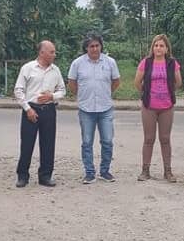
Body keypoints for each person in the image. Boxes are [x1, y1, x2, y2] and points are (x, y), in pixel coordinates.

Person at [68, 34, 120, 184]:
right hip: (86, 109)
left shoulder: (110, 62)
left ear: (101, 46)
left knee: (107, 141)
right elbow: (72, 82)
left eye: (97, 45)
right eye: (91, 46)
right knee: (87, 142)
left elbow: (116, 81)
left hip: (105, 108)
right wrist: (82, 95)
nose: (95, 49)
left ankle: (105, 171)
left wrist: (106, 92)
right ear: (86, 48)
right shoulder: (77, 63)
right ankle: (89, 173)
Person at [14, 40, 66, 188]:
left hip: (49, 110)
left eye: (54, 52)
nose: (54, 55)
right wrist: (27, 109)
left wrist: (52, 96)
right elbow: (18, 90)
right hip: (31, 109)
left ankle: (45, 176)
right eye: (52, 52)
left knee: (48, 144)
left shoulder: (55, 70)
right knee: (27, 144)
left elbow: (62, 90)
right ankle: (22, 176)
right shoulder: (28, 68)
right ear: (42, 53)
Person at [133, 34, 183, 182]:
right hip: (149, 106)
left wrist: (168, 91)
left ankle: (168, 171)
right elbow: (137, 82)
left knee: (165, 139)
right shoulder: (146, 63)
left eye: (161, 46)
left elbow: (178, 82)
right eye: (156, 45)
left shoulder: (172, 63)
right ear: (152, 48)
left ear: (167, 48)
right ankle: (145, 170)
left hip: (166, 106)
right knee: (149, 139)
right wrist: (147, 92)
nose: (158, 48)